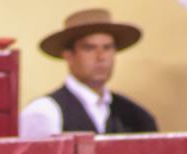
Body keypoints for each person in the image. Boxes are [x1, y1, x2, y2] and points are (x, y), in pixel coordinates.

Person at [19, 8, 157, 139]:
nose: (101, 57)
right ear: (69, 55)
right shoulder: (44, 113)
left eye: (107, 48)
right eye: (89, 48)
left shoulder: (137, 116)